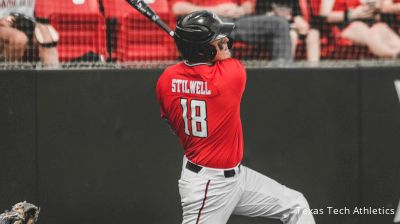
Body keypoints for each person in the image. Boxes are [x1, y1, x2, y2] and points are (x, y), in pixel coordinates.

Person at [156, 11, 316, 224]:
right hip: (208, 187)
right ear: (204, 50)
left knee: (297, 205)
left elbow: (172, 123)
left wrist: (200, 46)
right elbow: (222, 59)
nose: (226, 43)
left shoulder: (166, 79)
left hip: (237, 177)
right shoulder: (231, 75)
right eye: (220, 41)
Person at [170, 0, 293, 62]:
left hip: (238, 20)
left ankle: (282, 71)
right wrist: (215, 10)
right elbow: (178, 7)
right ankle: (226, 80)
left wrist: (240, 10)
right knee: (222, 28)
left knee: (279, 24)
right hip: (208, 22)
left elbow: (248, 5)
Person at [319, 0, 400, 58]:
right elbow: (324, 16)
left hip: (371, 24)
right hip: (344, 26)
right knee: (362, 29)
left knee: (382, 29)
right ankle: (392, 54)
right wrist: (351, 14)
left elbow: (382, 9)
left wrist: (374, 9)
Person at [0, 0, 59, 67]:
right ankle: (7, 73)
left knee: (48, 36)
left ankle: (52, 75)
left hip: (27, 23)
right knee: (19, 39)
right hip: (3, 24)